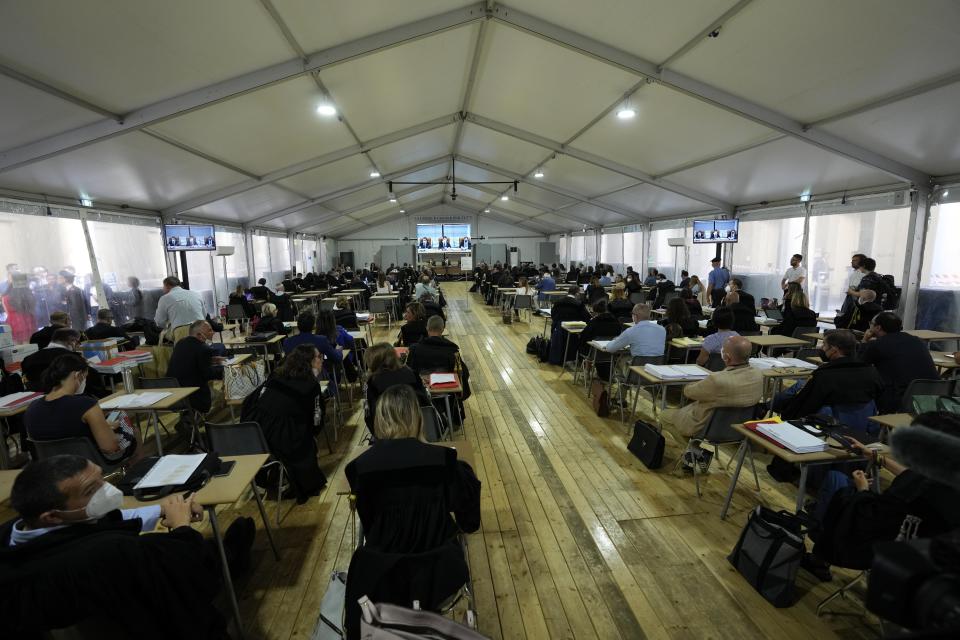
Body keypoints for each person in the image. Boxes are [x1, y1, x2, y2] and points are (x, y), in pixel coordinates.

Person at [0, 455, 253, 638]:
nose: (106, 490)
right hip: (136, 619)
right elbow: (187, 568)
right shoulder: (108, 555)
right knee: (208, 554)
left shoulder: (18, 532)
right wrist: (181, 527)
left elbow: (110, 522)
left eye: (103, 478)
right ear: (52, 516)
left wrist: (162, 509)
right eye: (92, 490)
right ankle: (230, 554)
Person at [344, 384, 481, 639]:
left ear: (380, 420)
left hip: (381, 573)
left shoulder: (359, 468)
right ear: (417, 417)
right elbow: (469, 520)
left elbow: (371, 523)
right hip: (438, 569)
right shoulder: (445, 461)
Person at [807, 412, 960, 575]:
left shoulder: (912, 492)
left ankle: (819, 558)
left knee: (837, 482)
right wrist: (874, 456)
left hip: (881, 550)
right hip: (933, 563)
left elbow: (869, 519)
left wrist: (862, 489)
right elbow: (911, 476)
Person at [660, 336, 763, 469]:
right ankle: (695, 453)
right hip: (740, 431)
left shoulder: (717, 380)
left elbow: (688, 392)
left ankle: (696, 452)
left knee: (664, 416)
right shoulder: (758, 375)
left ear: (727, 357)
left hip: (707, 428)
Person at [244, 344, 327, 502]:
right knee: (304, 439)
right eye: (318, 356)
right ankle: (299, 481)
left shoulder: (276, 375)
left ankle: (275, 474)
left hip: (254, 431)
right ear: (309, 362)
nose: (321, 360)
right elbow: (317, 418)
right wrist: (312, 435)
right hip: (280, 436)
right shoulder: (311, 386)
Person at [25, 353, 142, 463]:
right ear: (77, 375)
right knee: (133, 431)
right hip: (89, 462)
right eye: (85, 377)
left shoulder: (32, 408)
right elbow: (109, 448)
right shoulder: (86, 404)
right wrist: (109, 429)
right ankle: (135, 475)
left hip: (51, 466)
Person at [774, 329, 883, 419]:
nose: (821, 348)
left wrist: (786, 416)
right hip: (864, 427)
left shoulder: (824, 375)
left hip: (827, 426)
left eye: (824, 345)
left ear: (834, 350)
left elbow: (806, 405)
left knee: (797, 389)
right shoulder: (871, 371)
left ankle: (767, 406)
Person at [860, 312, 939, 413]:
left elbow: (860, 365)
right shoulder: (916, 340)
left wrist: (864, 341)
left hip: (900, 398)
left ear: (878, 328)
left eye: (871, 323)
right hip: (932, 395)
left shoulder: (878, 345)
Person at [406, 315, 471, 418]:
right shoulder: (452, 351)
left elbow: (409, 371)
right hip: (446, 391)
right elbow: (462, 374)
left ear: (427, 328)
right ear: (442, 329)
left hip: (422, 392)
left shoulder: (414, 349)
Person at [364, 342, 430, 432]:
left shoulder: (373, 383)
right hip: (421, 428)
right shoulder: (412, 374)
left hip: (387, 433)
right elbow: (425, 402)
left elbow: (372, 415)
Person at [166, 320, 226, 415]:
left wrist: (210, 360)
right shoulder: (204, 348)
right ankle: (192, 420)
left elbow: (189, 363)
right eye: (209, 330)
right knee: (221, 395)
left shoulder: (180, 343)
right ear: (199, 335)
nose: (213, 332)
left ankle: (188, 419)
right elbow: (208, 374)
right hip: (194, 396)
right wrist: (225, 370)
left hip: (173, 394)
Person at [21, 328, 81, 393]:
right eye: (77, 342)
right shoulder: (73, 358)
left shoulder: (28, 359)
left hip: (36, 398)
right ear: (71, 341)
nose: (78, 345)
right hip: (64, 396)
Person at [154, 276, 204, 343]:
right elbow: (204, 314)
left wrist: (168, 325)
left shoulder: (165, 298)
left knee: (183, 352)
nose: (163, 289)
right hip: (201, 328)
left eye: (163, 286)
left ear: (167, 285)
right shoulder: (196, 294)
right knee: (202, 351)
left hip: (182, 332)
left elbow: (159, 321)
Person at [1, 273, 36, 344]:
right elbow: (32, 308)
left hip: (13, 322)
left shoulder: (5, 297)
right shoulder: (28, 295)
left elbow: (7, 312)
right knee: (29, 345)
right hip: (28, 320)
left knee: (18, 348)